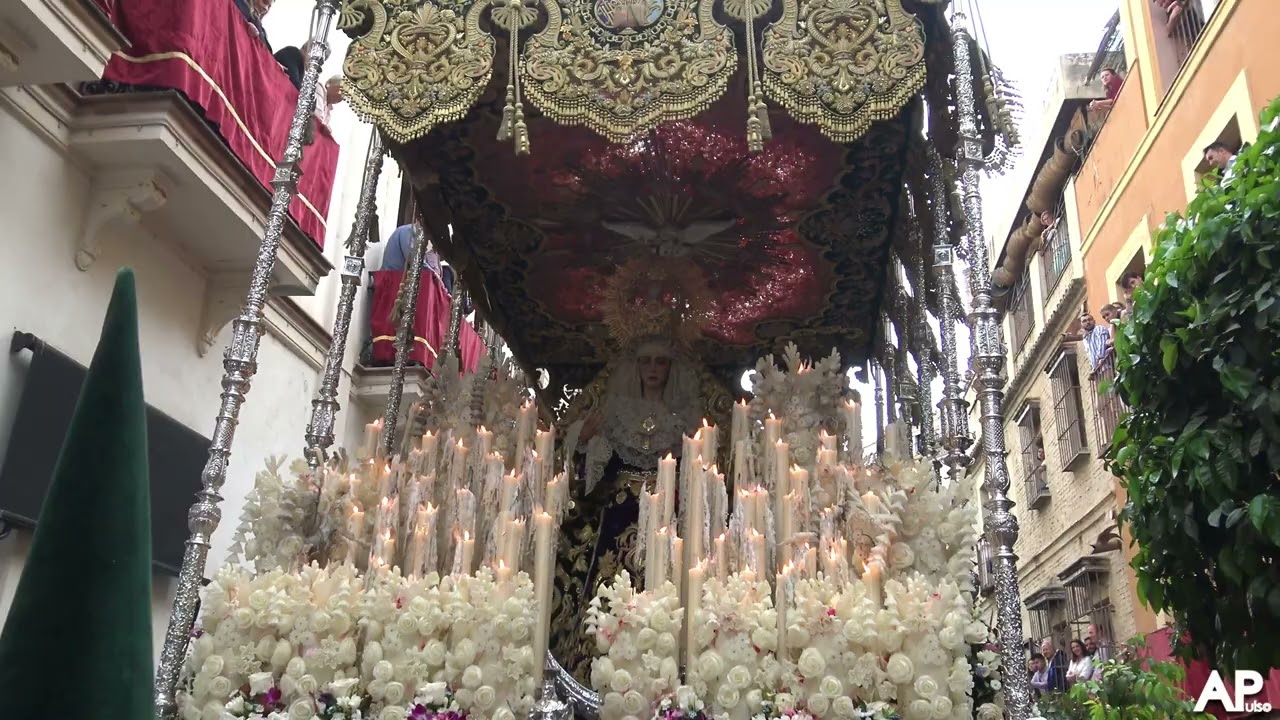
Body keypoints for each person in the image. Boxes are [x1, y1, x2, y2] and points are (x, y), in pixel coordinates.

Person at [549, 335, 703, 683]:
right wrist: (583, 441)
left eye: (660, 362)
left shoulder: (683, 423)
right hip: (617, 515)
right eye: (646, 361)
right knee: (607, 586)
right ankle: (598, 670)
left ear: (670, 369)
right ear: (635, 367)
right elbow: (591, 476)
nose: (652, 369)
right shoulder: (614, 416)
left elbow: (693, 473)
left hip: (665, 518)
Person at [1080, 310, 1112, 374]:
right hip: (1098, 371)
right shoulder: (1086, 339)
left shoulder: (1099, 329)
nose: (1088, 322)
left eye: (1089, 319)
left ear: (1094, 321)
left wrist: (1095, 367)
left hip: (1106, 366)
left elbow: (1101, 348)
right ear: (1081, 325)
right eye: (1084, 321)